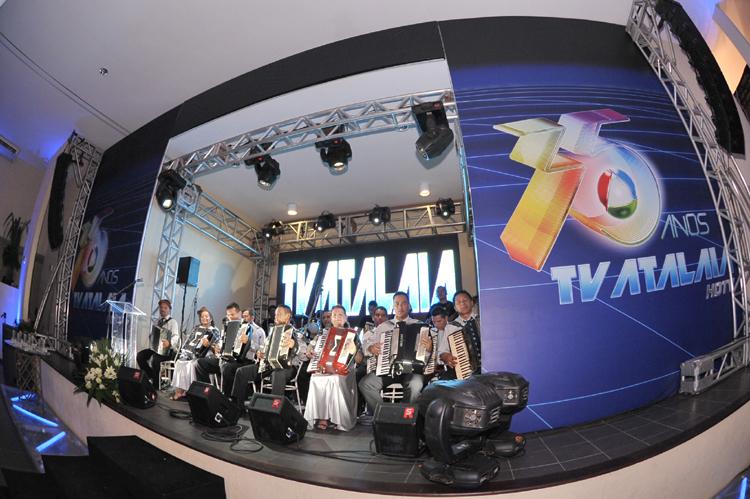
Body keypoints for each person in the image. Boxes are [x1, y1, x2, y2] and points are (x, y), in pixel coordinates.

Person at [358, 292, 432, 423]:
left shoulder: (420, 326)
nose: (400, 307)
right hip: (387, 370)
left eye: (403, 303)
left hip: (411, 370)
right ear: (393, 306)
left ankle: (405, 419)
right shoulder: (384, 326)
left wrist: (429, 348)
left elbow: (426, 355)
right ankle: (386, 418)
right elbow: (367, 345)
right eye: (397, 304)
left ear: (409, 306)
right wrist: (370, 348)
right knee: (366, 384)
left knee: (416, 384)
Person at [230, 304, 307, 403]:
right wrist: (260, 353)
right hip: (268, 366)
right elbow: (263, 349)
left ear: (288, 316)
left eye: (279, 314)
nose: (275, 317)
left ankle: (274, 408)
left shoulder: (296, 334)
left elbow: (305, 356)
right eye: (275, 314)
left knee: (278, 374)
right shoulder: (272, 333)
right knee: (241, 372)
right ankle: (237, 406)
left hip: (288, 367)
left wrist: (295, 346)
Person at [304, 305, 360, 431]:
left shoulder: (352, 334)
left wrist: (354, 350)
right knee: (315, 378)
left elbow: (359, 360)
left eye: (340, 315)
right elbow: (311, 345)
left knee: (335, 379)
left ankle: (337, 419)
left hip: (345, 370)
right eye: (334, 315)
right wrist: (309, 350)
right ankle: (323, 417)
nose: (337, 318)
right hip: (325, 368)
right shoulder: (323, 333)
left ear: (346, 317)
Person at [171, 307, 220, 400]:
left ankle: (191, 391)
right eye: (202, 316)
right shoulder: (197, 328)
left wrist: (208, 345)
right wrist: (187, 350)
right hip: (192, 353)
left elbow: (217, 347)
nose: (204, 318)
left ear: (211, 318)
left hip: (206, 355)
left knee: (192, 364)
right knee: (180, 362)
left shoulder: (214, 330)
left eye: (206, 316)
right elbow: (190, 340)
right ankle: (180, 390)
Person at [220, 309, 266, 402]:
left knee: (239, 371)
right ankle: (227, 397)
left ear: (252, 317)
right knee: (227, 367)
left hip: (252, 360)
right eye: (243, 316)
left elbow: (262, 348)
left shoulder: (259, 331)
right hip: (240, 359)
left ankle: (237, 400)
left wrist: (249, 342)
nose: (244, 318)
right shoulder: (240, 328)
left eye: (246, 316)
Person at [136, 299, 180, 387]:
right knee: (140, 356)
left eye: (165, 308)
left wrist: (169, 343)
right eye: (161, 307)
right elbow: (153, 335)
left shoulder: (173, 322)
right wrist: (151, 337)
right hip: (156, 349)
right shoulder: (157, 322)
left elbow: (176, 337)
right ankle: (151, 376)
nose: (162, 309)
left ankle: (156, 385)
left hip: (167, 350)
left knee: (156, 359)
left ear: (169, 309)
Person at [195, 303, 242, 384]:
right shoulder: (226, 326)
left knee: (226, 367)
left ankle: (226, 392)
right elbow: (222, 340)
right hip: (224, 358)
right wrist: (218, 347)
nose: (230, 317)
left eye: (232, 315)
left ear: (239, 313)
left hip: (238, 360)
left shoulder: (244, 327)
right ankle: (206, 389)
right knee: (200, 362)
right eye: (228, 315)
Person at [439, 290, 481, 379]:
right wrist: (446, 357)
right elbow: (442, 352)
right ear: (455, 308)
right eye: (458, 302)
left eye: (465, 300)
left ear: (472, 303)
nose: (462, 303)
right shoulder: (451, 327)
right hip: (466, 371)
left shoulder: (482, 319)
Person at [355, 305, 388, 416]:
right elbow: (365, 350)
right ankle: (380, 414)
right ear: (373, 318)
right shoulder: (368, 334)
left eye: (383, 315)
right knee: (359, 375)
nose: (380, 318)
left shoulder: (394, 331)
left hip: (391, 368)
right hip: (372, 366)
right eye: (377, 315)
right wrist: (371, 348)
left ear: (387, 318)